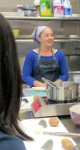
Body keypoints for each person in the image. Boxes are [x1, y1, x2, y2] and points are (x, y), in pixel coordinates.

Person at [0, 14, 32, 149]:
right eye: (47, 34)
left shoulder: (58, 54)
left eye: (52, 34)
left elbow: (65, 74)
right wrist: (38, 83)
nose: (50, 37)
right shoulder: (32, 54)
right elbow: (26, 75)